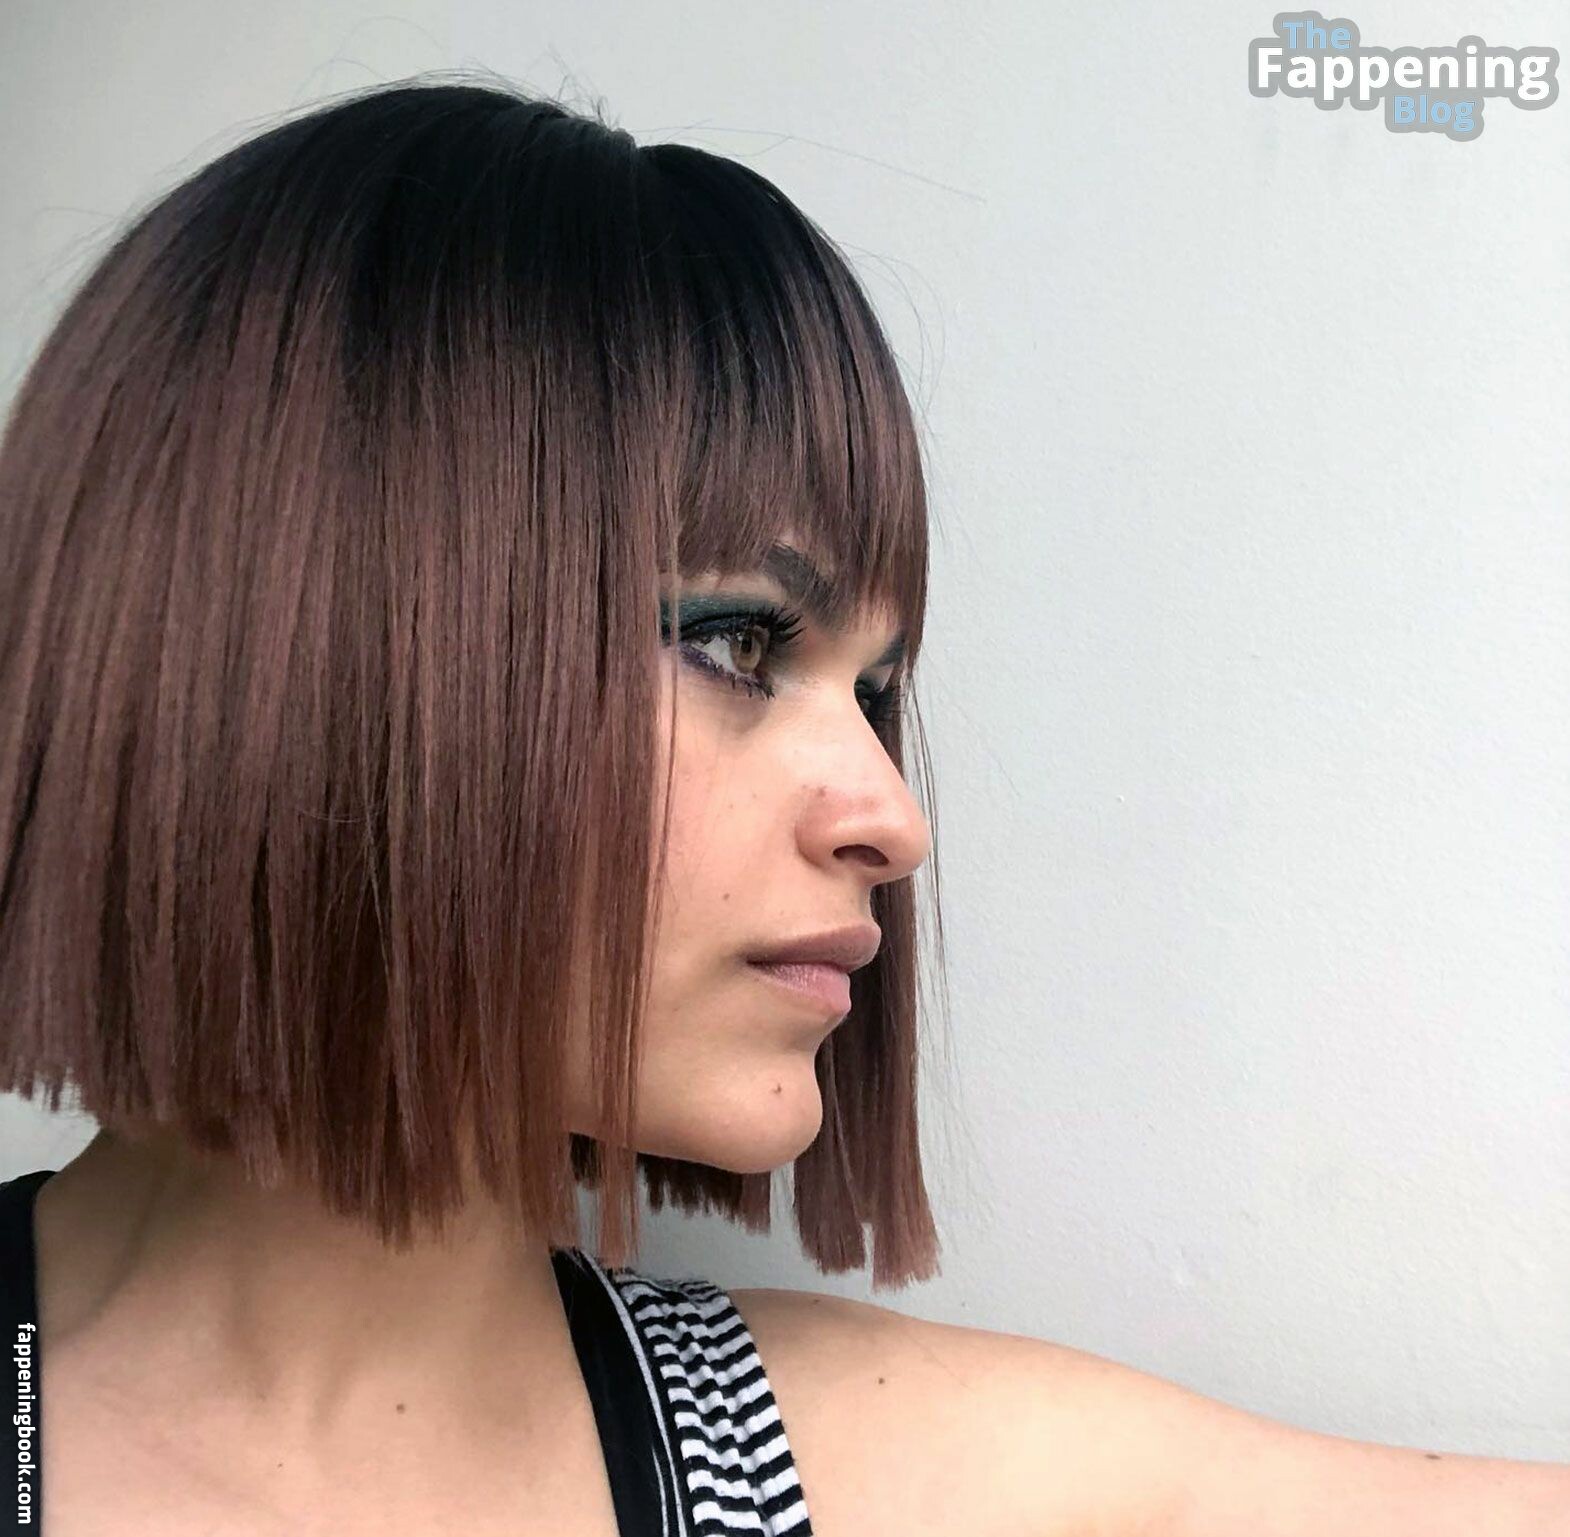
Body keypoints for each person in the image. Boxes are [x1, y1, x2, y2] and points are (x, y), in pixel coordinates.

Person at [0, 75, 1565, 1537]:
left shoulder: (844, 1469)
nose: (892, 816)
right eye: (739, 641)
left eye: (875, 690)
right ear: (324, 629)